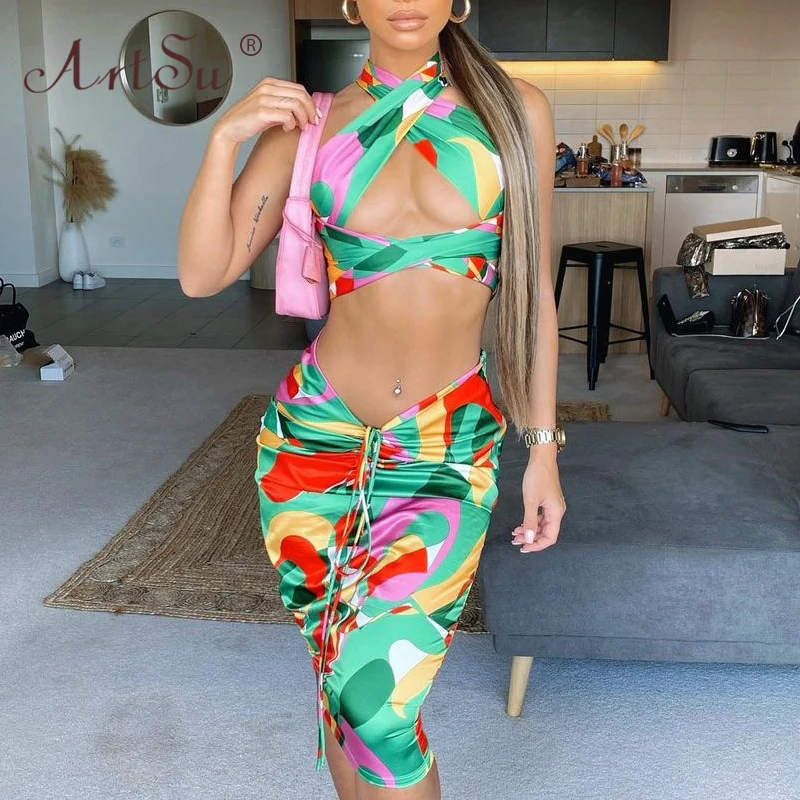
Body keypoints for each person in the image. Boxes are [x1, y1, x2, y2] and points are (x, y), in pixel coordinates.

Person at [177, 1, 566, 797]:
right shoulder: (310, 125)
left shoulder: (514, 110)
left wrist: (543, 450)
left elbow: (533, 297)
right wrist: (224, 140)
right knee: (337, 678)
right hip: (313, 440)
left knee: (376, 709)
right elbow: (201, 274)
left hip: (445, 442)